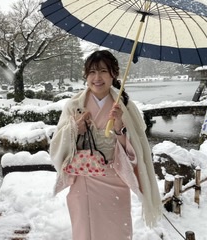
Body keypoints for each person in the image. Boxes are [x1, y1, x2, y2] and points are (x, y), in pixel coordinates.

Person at [50, 50, 161, 240]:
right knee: (85, 231)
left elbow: (137, 151)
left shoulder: (125, 105)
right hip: (84, 179)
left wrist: (119, 128)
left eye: (103, 71)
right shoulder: (74, 105)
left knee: (116, 231)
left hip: (114, 178)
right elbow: (57, 145)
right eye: (92, 72)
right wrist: (75, 129)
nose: (97, 77)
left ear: (113, 74)